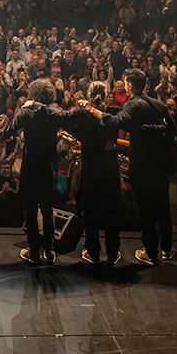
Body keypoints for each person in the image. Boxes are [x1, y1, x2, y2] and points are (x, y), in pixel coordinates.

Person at [0, 78, 87, 265]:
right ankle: (50, 251)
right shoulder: (54, 113)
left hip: (30, 167)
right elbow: (74, 119)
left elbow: (5, 133)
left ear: (33, 94)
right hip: (48, 168)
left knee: (30, 210)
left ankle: (34, 251)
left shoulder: (25, 113)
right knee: (47, 210)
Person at [85, 68, 177, 265]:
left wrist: (92, 109)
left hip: (143, 164)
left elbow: (114, 121)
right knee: (162, 207)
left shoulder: (133, 104)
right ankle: (167, 248)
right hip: (161, 164)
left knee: (145, 209)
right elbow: (174, 130)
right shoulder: (158, 104)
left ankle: (151, 252)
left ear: (130, 85)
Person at [73, 82, 124, 265]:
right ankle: (113, 253)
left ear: (88, 95)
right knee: (112, 212)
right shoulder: (113, 114)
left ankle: (93, 251)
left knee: (91, 212)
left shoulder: (83, 116)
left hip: (90, 169)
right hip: (109, 169)